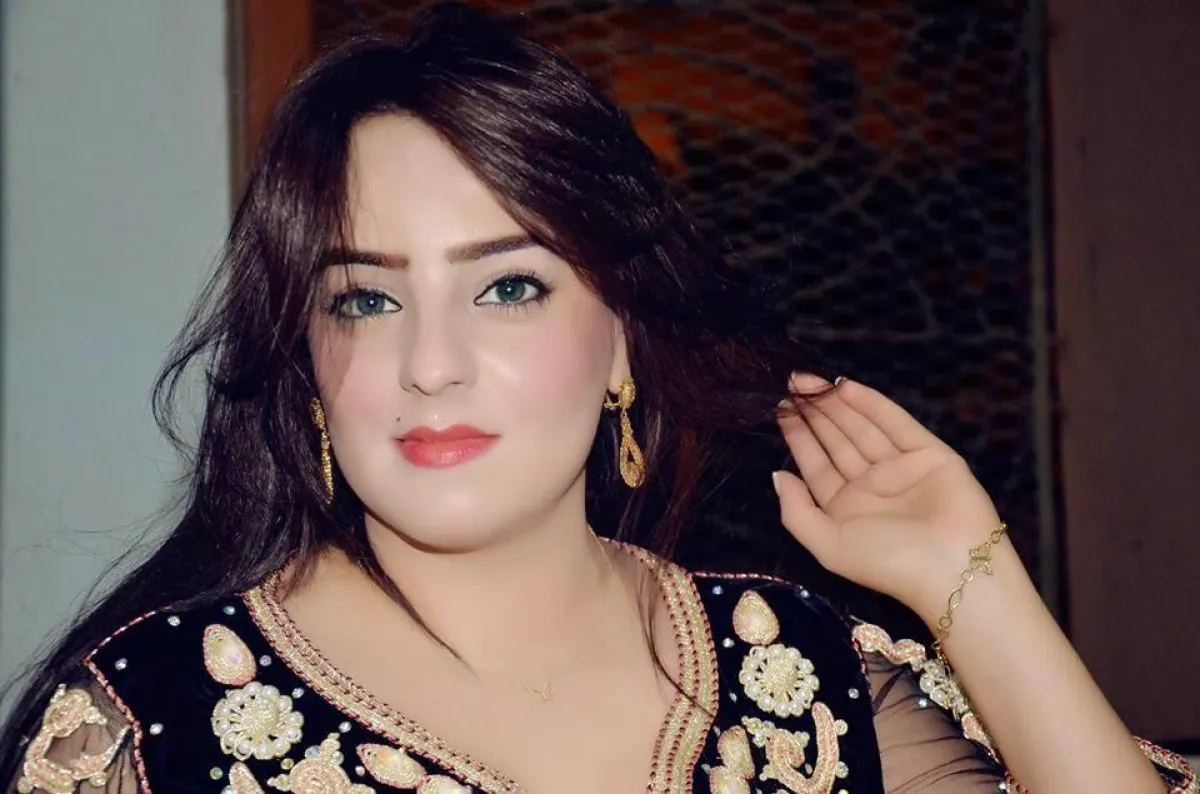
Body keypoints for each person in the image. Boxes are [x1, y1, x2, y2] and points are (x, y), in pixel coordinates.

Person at [1, 4, 1193, 793]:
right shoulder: (155, 722)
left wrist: (971, 579)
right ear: (306, 359)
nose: (430, 362)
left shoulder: (794, 669)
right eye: (365, 299)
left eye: (509, 286)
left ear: (622, 339)